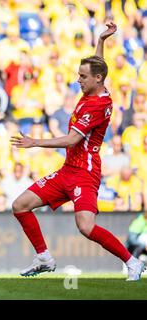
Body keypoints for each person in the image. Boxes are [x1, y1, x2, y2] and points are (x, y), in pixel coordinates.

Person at [10, 22, 146, 281]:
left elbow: (73, 139)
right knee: (20, 205)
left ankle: (132, 262)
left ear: (96, 79)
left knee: (85, 226)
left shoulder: (96, 105)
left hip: (85, 172)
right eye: (79, 75)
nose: (78, 80)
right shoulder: (96, 86)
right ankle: (43, 258)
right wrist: (101, 41)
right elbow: (98, 67)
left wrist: (35, 142)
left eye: (82, 76)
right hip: (67, 170)